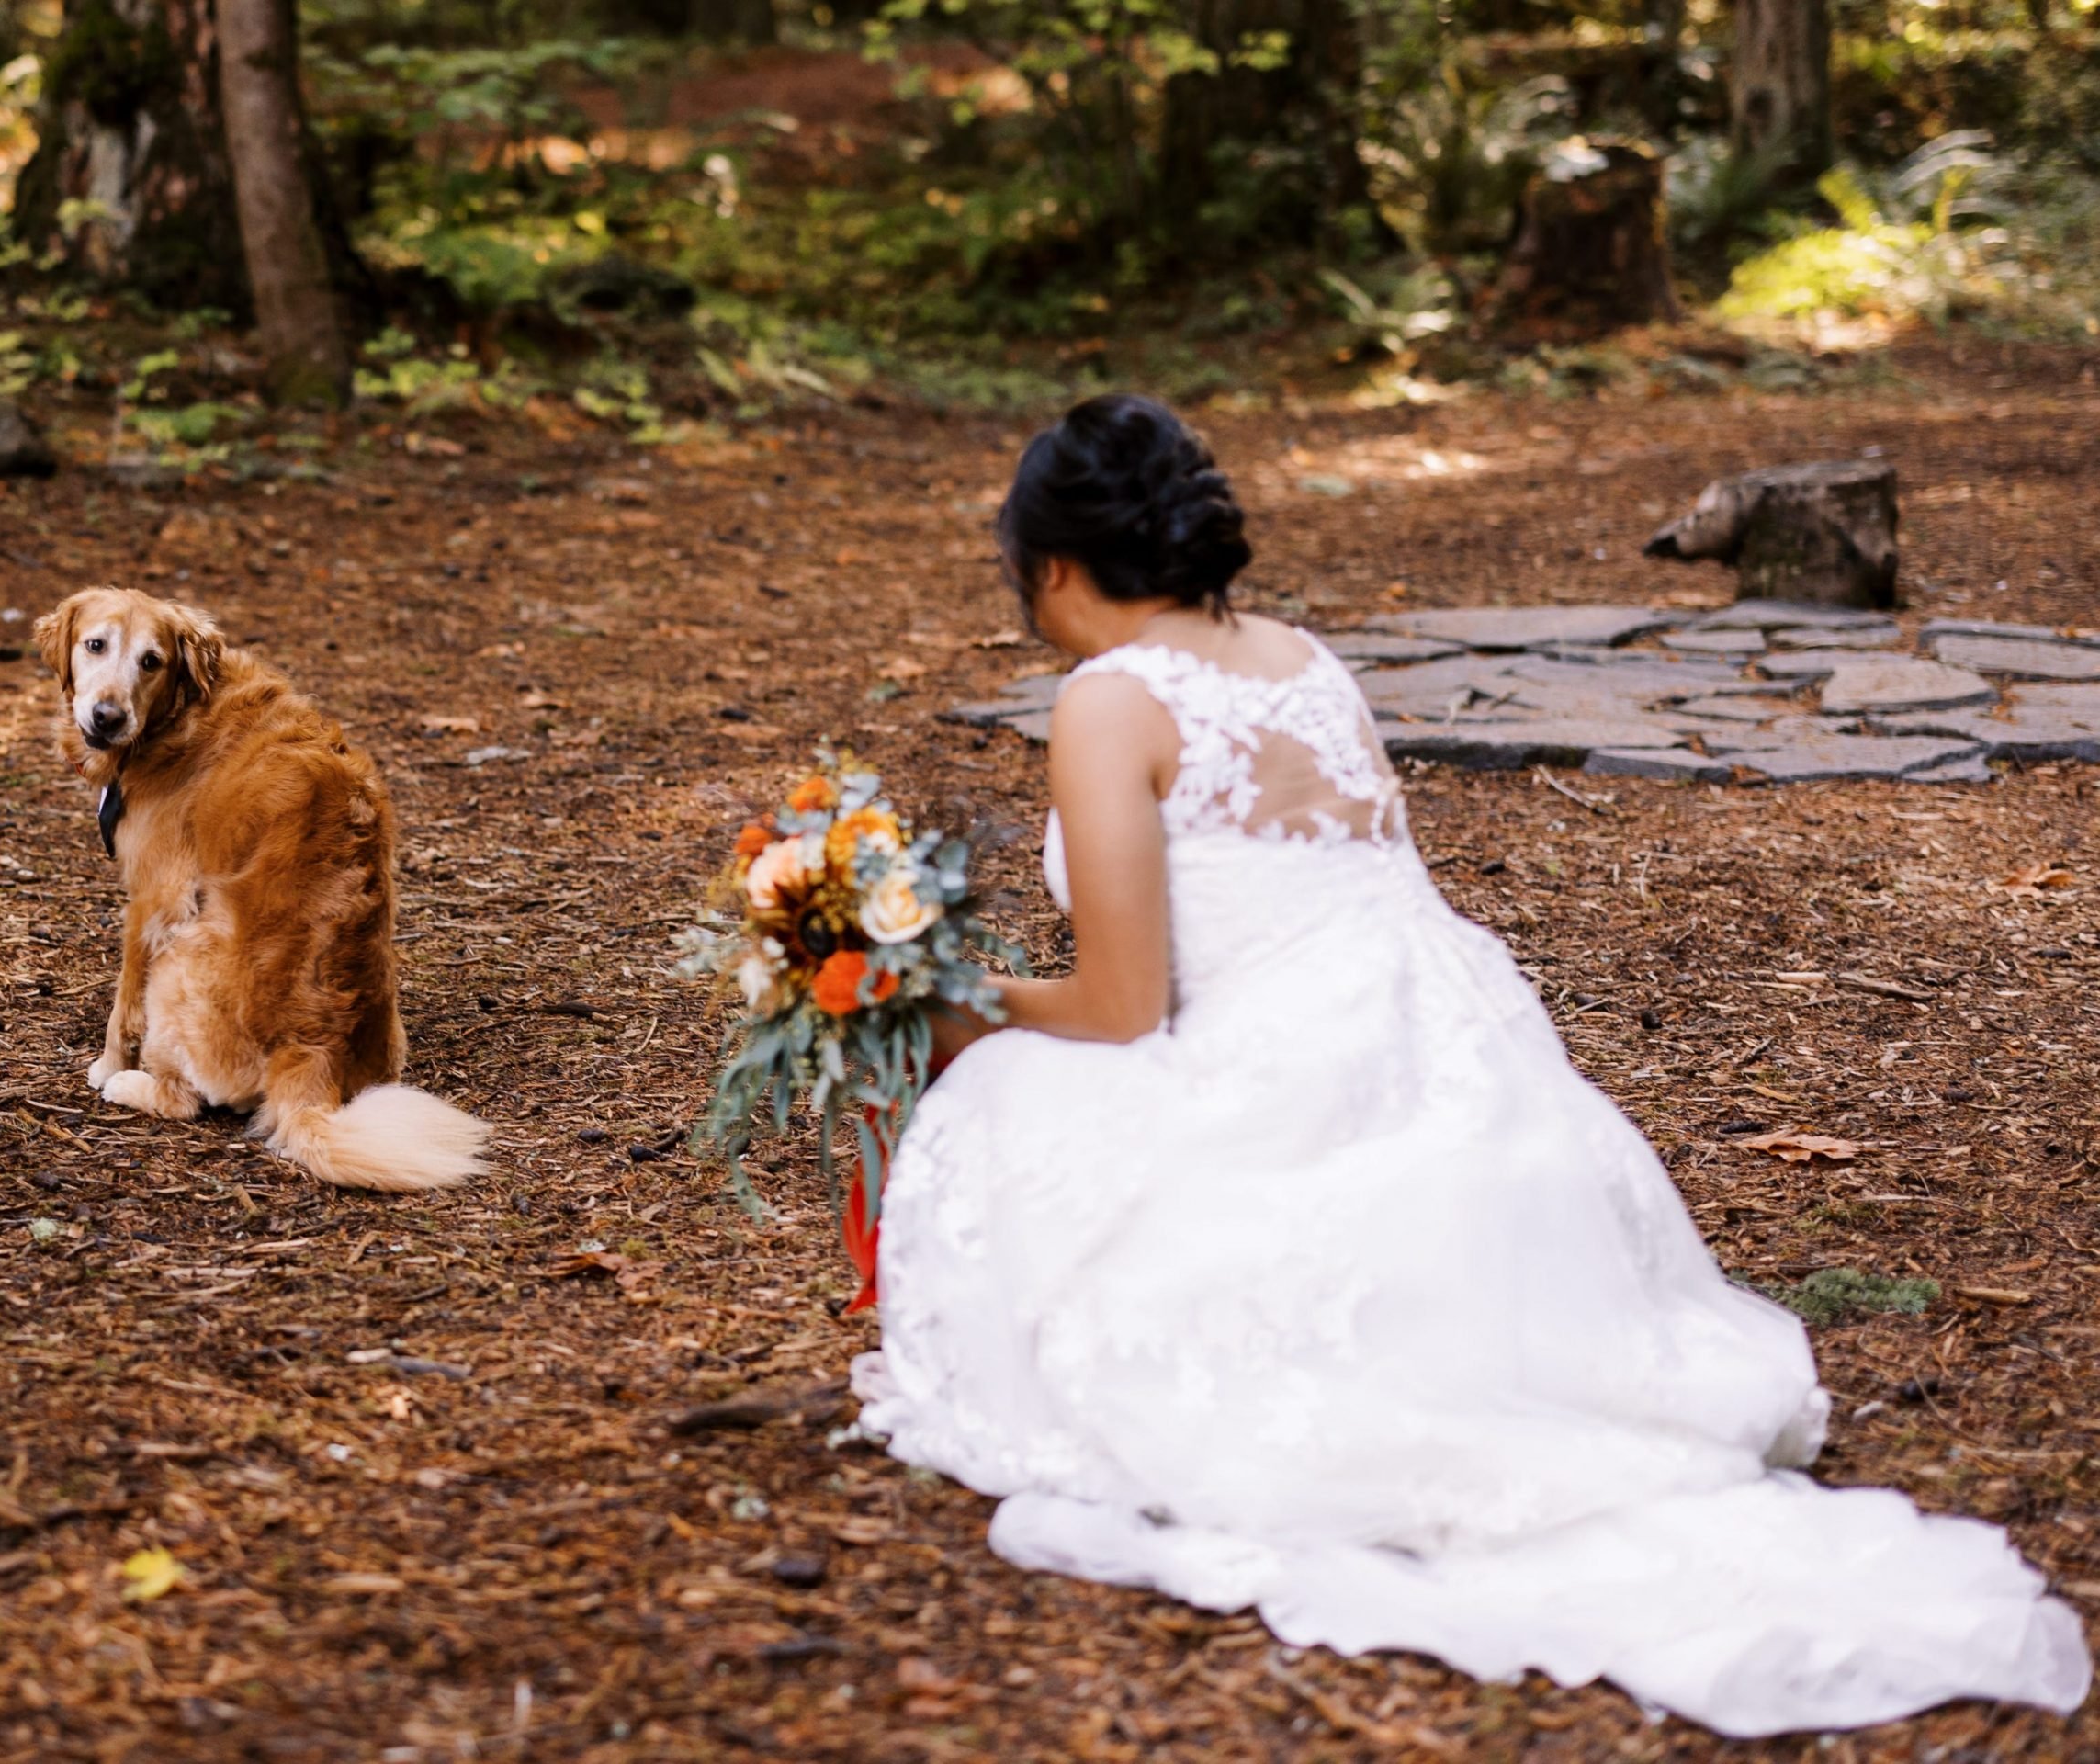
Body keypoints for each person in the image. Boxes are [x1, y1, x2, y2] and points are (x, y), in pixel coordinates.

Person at [850, 393, 2090, 1736]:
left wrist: (945, 1008)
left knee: (999, 1106)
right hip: (1454, 1050)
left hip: (1275, 1078)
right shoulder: (1298, 655)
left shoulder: (1108, 699)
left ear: (1048, 567)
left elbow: (1123, 1007)